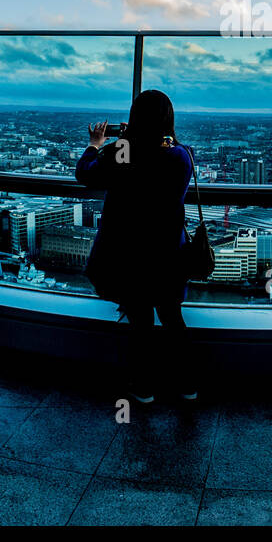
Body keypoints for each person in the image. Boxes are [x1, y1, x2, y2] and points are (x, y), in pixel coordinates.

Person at [76, 89, 195, 403]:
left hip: (130, 255)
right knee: (172, 319)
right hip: (168, 254)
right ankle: (187, 383)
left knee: (140, 322)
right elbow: (160, 162)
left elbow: (85, 174)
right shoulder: (181, 155)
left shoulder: (123, 151)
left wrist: (96, 145)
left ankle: (143, 388)